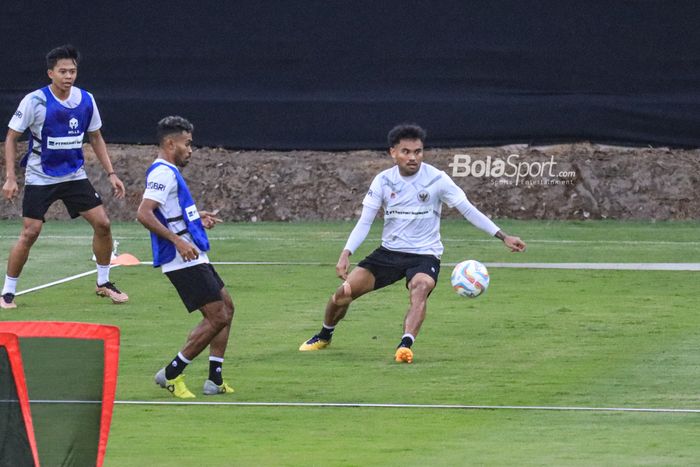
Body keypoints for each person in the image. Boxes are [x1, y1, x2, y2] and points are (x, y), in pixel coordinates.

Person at [299, 123, 527, 363]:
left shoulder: (437, 179)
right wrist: (346, 252)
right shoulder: (383, 181)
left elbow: (468, 210)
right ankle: (324, 335)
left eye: (418, 151)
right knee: (343, 294)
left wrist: (503, 236)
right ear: (393, 153)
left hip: (424, 255)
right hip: (388, 253)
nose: (413, 157)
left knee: (420, 289)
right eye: (406, 151)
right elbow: (365, 222)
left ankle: (405, 345)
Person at [1, 44, 128, 309]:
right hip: (41, 177)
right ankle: (7, 292)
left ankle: (103, 283)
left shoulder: (86, 100)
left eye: (72, 71)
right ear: (51, 73)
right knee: (30, 232)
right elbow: (12, 137)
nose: (68, 76)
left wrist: (111, 173)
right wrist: (11, 177)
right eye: (63, 71)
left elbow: (96, 137)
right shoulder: (34, 101)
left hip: (73, 176)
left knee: (103, 224)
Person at [137, 116, 234, 398]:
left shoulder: (169, 172)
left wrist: (195, 219)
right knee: (217, 317)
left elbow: (170, 211)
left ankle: (214, 379)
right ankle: (171, 373)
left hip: (192, 251)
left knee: (227, 308)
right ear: (170, 143)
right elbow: (144, 212)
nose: (191, 149)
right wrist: (178, 240)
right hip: (182, 256)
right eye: (187, 144)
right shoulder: (162, 173)